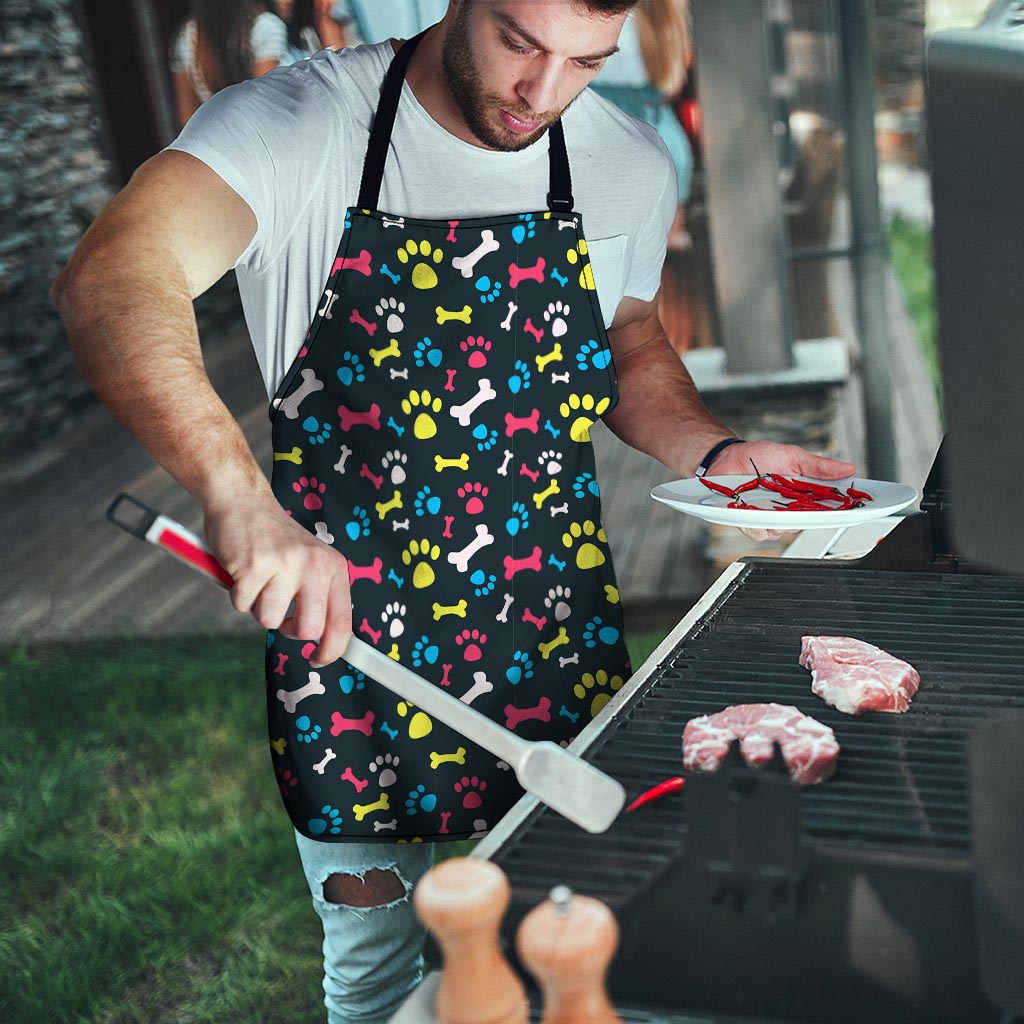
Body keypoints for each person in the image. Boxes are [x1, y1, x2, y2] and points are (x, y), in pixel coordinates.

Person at [52, 2, 856, 1020]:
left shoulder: (624, 160)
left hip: (552, 637)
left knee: (582, 943)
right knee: (381, 975)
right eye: (521, 42)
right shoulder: (298, 125)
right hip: (350, 657)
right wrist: (237, 497)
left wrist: (717, 450)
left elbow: (627, 334)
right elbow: (112, 275)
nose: (543, 93)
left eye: (585, 62)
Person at [170, 0, 289, 127]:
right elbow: (266, 104)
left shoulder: (187, 36)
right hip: (264, 136)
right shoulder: (265, 27)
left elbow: (187, 117)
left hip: (215, 138)